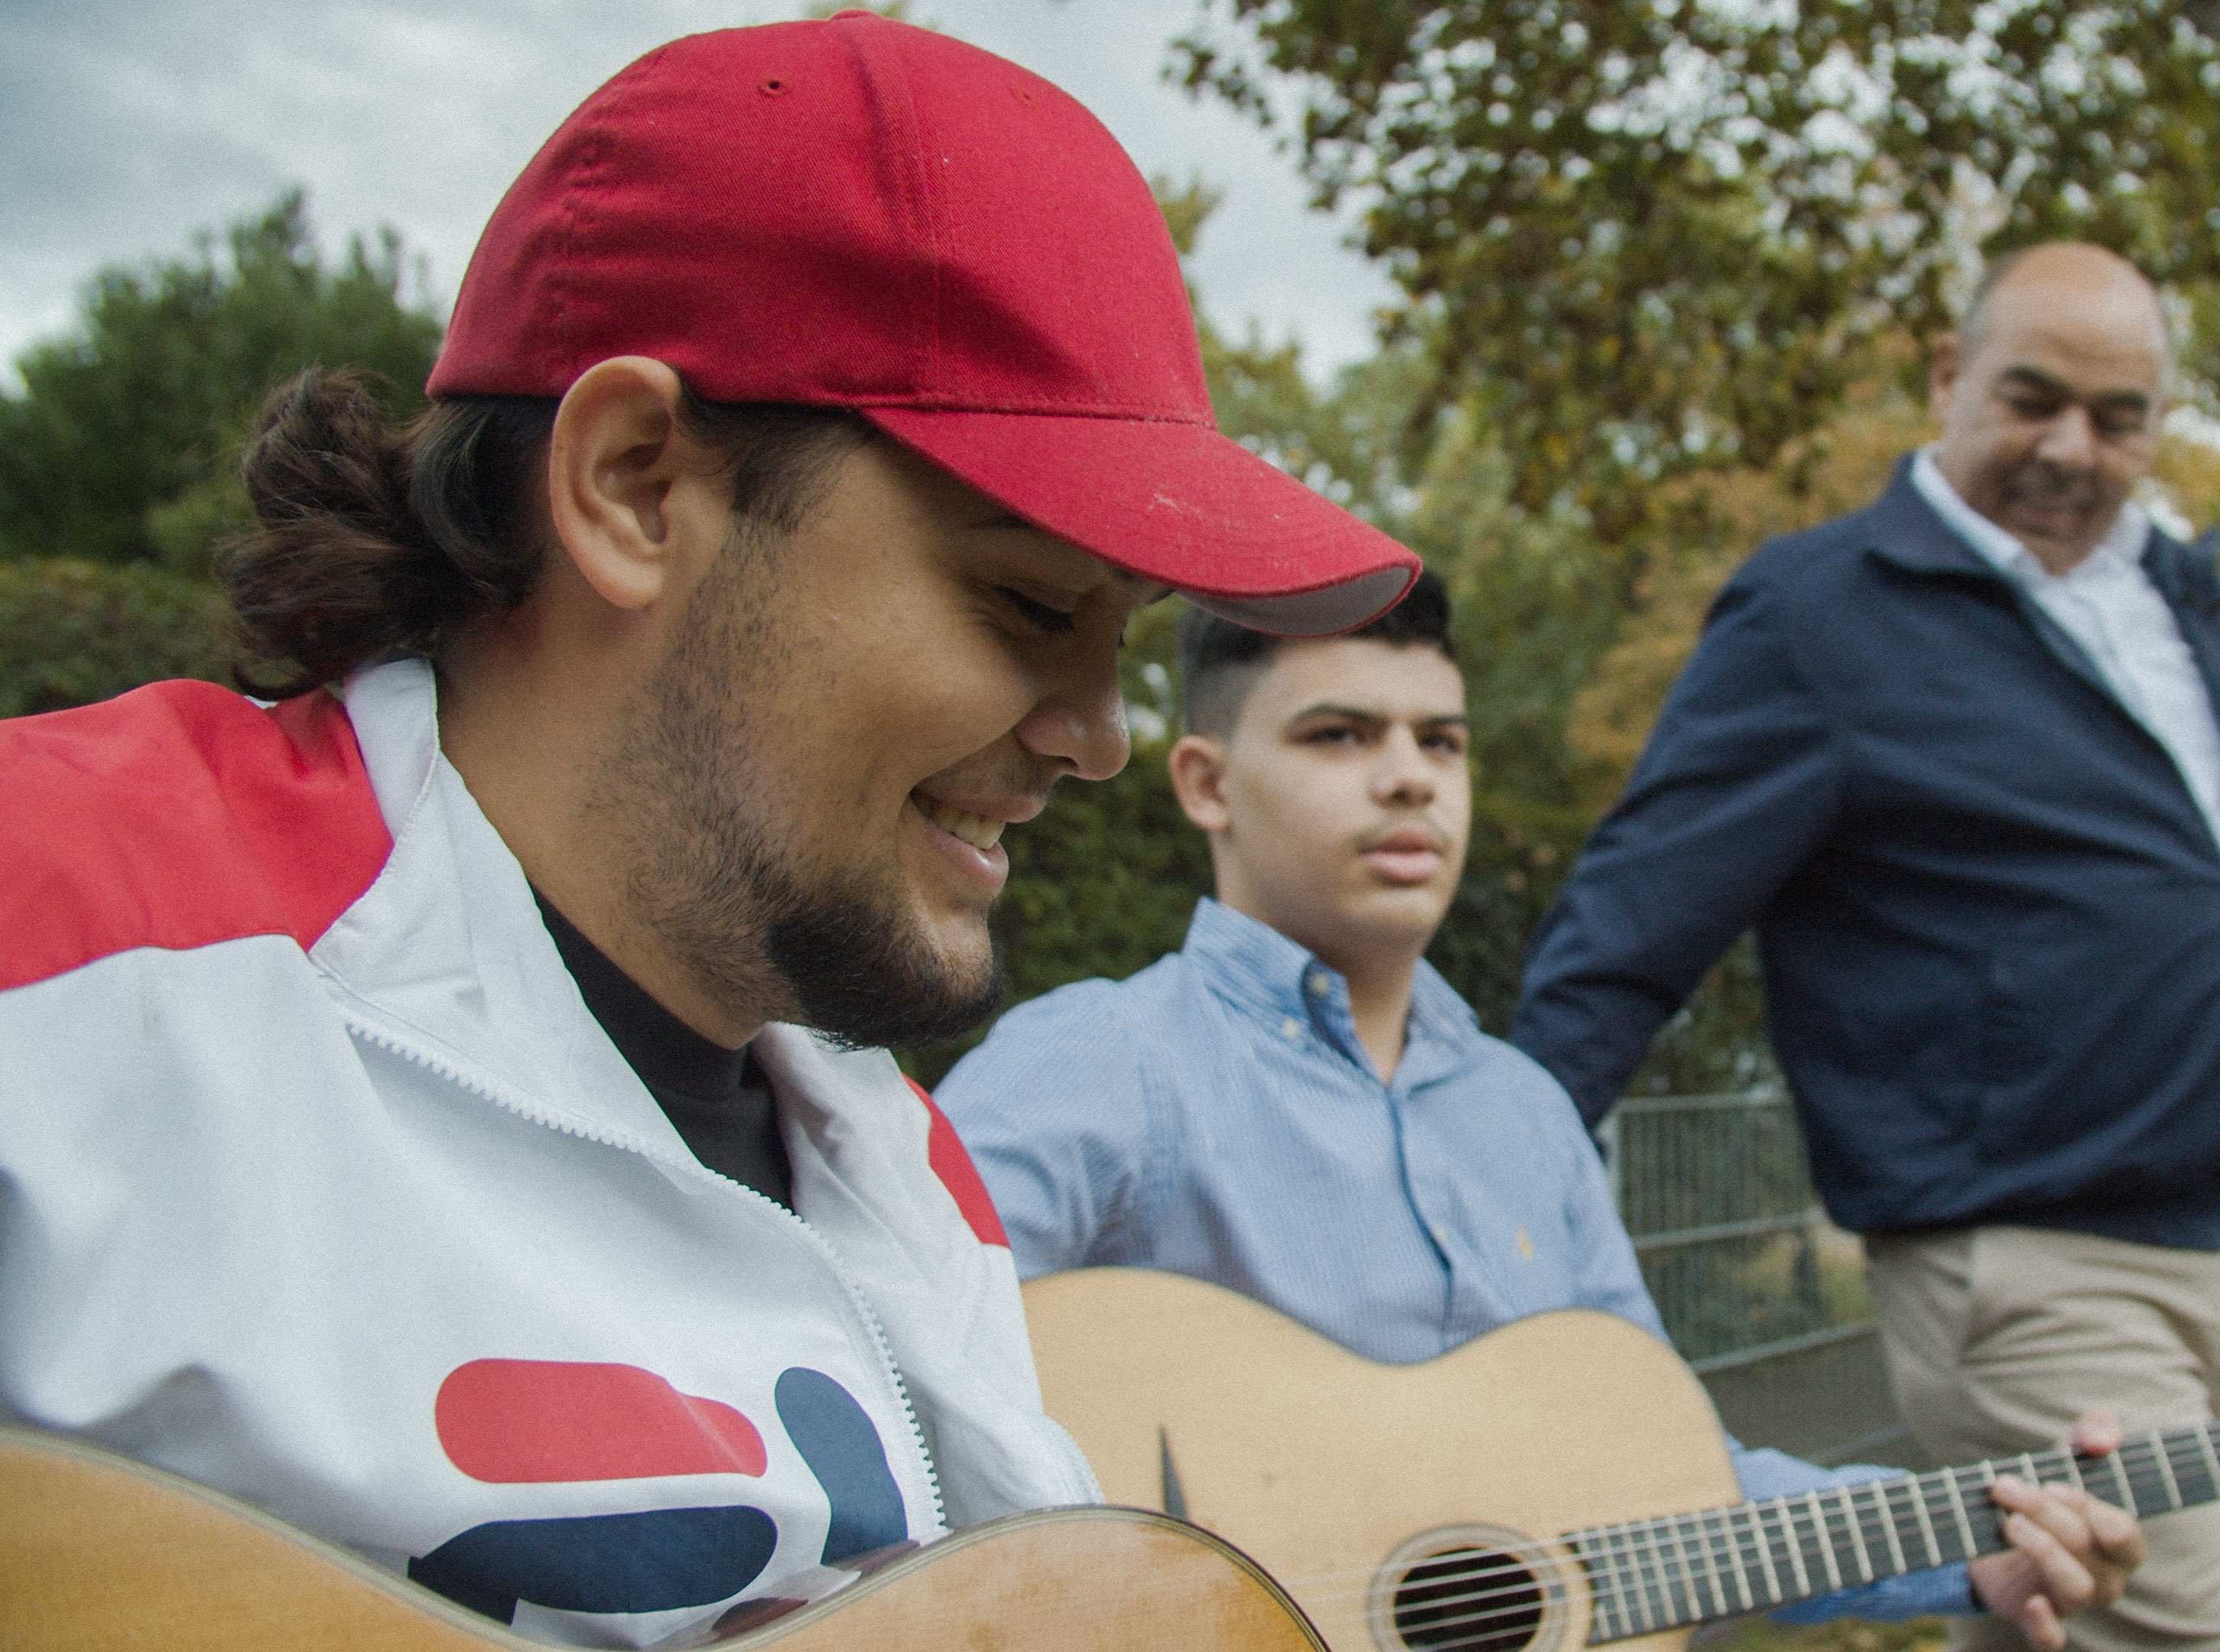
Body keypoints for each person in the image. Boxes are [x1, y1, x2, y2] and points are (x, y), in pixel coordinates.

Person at [0, 17, 1419, 1648]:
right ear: (631, 485)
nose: (1099, 735)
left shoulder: (902, 1169)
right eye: (1026, 600)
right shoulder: (58, 935)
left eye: (1125, 631)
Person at [938, 577, 2144, 1647]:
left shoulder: (1526, 1114)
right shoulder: (1106, 1061)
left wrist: (1969, 1550)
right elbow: (889, 1355)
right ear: (1206, 783)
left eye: (1442, 741)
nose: (1410, 773)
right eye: (1340, 734)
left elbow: (1673, 1479)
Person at [1507, 242, 2220, 1650]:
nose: (2073, 449)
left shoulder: (2200, 610)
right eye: (2032, 399)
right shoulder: (1818, 617)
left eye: (2120, 415)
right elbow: (1624, 940)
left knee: (2039, 1617)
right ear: (1948, 377)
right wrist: (1483, 1218)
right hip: (2035, 1273)